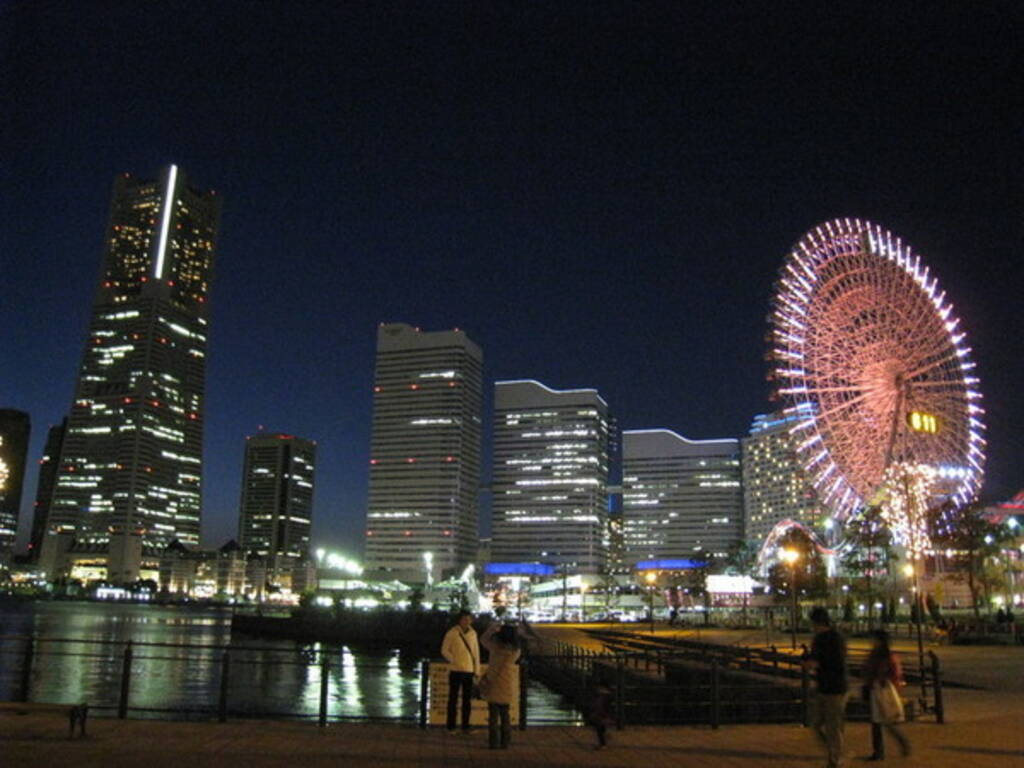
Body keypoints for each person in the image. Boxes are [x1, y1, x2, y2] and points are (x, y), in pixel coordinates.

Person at [802, 607, 848, 768]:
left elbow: (829, 662)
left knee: (831, 726)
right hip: (827, 685)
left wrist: (812, 663)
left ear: (817, 622)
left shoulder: (828, 639)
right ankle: (835, 753)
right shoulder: (828, 638)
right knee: (821, 724)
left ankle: (835, 758)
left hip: (833, 687)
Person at [862, 630, 910, 760]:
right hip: (877, 688)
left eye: (875, 639)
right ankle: (880, 751)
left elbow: (894, 674)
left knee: (883, 721)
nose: (872, 642)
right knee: (878, 722)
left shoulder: (885, 656)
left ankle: (886, 749)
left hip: (883, 689)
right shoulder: (877, 655)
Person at [478, 621, 521, 749]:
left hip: (493, 682)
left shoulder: (495, 647)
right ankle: (505, 742)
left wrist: (491, 628)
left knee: (493, 715)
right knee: (505, 714)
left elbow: (483, 639)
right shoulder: (515, 651)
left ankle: (493, 742)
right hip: (507, 683)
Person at [441, 610, 479, 733]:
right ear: (459, 620)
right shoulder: (452, 633)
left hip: (469, 670)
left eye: (469, 619)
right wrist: (454, 660)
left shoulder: (473, 634)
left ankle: (465, 725)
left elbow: (476, 654)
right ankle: (451, 726)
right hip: (456, 670)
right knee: (453, 699)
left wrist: (476, 670)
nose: (467, 621)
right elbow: (444, 650)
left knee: (467, 700)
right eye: (464, 619)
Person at [587, 682, 614, 749]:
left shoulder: (604, 697)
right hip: (602, 714)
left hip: (602, 715)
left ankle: (603, 743)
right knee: (601, 729)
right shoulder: (605, 696)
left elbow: (602, 706)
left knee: (600, 728)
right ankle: (603, 741)